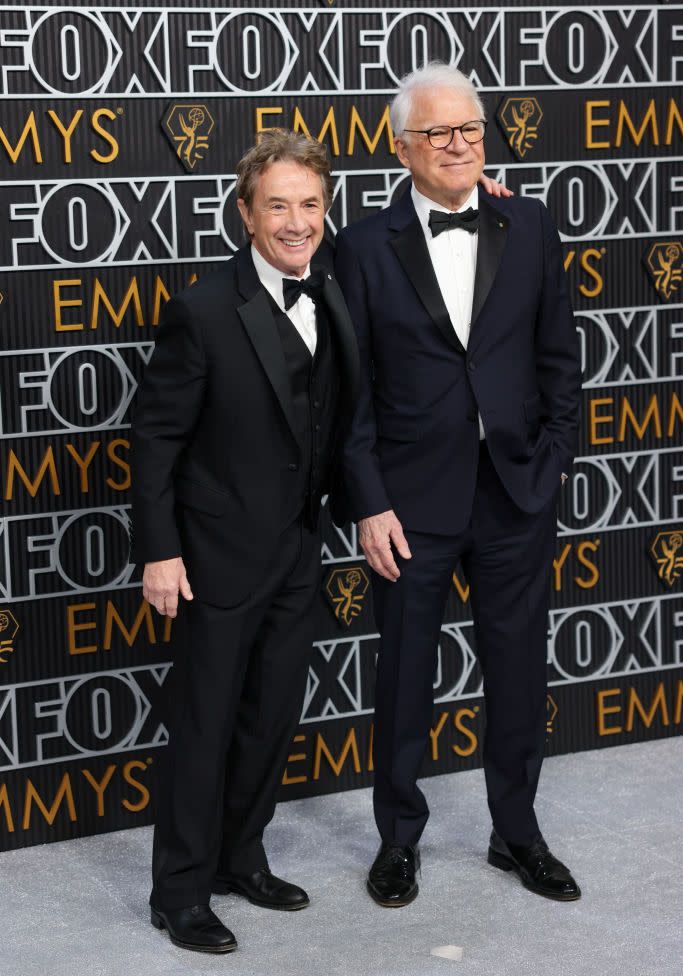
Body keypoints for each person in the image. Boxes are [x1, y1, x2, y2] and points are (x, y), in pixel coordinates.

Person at [335, 63, 583, 908]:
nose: (457, 145)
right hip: (408, 504)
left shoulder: (532, 223)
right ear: (401, 148)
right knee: (405, 676)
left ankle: (517, 834)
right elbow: (350, 390)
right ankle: (397, 841)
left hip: (515, 490)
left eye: (469, 129)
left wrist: (552, 458)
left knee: (519, 671)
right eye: (437, 133)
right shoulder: (360, 246)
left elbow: (558, 356)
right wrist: (368, 499)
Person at [129, 130, 361, 953]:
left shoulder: (333, 286)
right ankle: (179, 892)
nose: (296, 221)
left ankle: (240, 856)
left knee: (270, 719)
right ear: (244, 214)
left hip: (299, 547)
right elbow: (154, 438)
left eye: (309, 205)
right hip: (214, 556)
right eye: (278, 206)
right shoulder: (201, 308)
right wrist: (160, 551)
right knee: (204, 725)